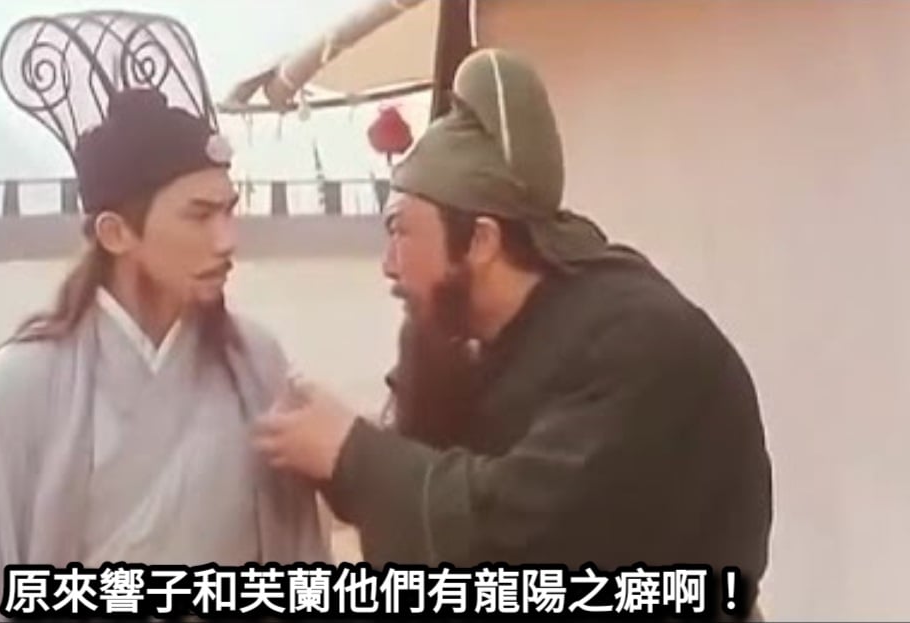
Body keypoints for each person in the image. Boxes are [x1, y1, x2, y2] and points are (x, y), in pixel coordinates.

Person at [254, 48, 772, 620]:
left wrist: (353, 453)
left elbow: (524, 538)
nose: (388, 265)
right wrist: (329, 453)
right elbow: (415, 495)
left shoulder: (639, 340)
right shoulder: (451, 336)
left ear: (480, 240)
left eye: (400, 231)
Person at [0, 86, 327, 622]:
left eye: (229, 211)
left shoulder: (257, 363)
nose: (227, 240)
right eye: (199, 216)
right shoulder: (18, 385)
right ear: (116, 232)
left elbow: (297, 566)